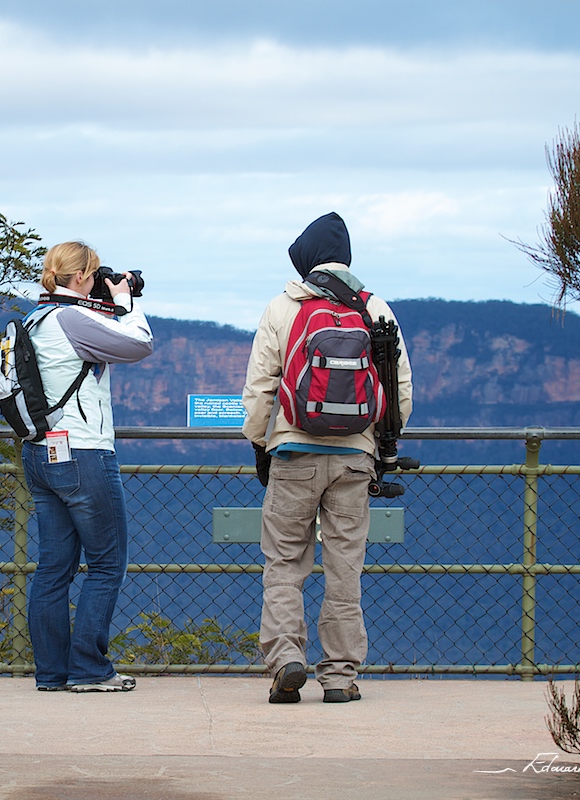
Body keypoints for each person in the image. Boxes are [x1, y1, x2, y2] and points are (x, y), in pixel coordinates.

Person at [241, 212, 413, 704]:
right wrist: (380, 444)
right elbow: (400, 390)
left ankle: (285, 660)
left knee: (284, 561)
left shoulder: (282, 307)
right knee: (344, 566)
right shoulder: (375, 307)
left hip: (294, 452)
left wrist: (260, 443)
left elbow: (260, 388)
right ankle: (339, 676)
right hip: (356, 457)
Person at [21, 241, 154, 693]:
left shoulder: (34, 320)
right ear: (79, 278)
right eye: (94, 275)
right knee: (106, 564)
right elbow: (139, 345)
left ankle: (52, 673)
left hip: (41, 454)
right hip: (84, 455)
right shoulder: (72, 319)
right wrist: (124, 303)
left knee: (53, 567)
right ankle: (89, 669)